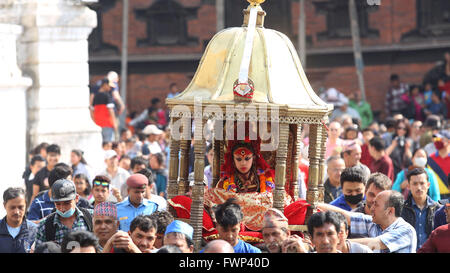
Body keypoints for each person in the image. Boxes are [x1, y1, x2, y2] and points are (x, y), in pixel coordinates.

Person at [318, 190, 417, 253]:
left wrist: (336, 242)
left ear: (390, 211)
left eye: (376, 205)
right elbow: (346, 216)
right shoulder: (373, 222)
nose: (371, 208)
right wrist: (314, 205)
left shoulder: (406, 230)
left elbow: (375, 244)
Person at [34, 179, 94, 246]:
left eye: (67, 203)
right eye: (58, 204)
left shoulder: (91, 217)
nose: (62, 208)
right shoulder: (44, 226)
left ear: (76, 198)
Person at [27, 163, 92, 221]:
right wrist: (50, 220)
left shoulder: (81, 202)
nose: (62, 208)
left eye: (67, 203)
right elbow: (31, 225)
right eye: (68, 182)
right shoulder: (38, 203)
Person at [401, 168, 441, 250]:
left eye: (422, 183)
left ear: (428, 185)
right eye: (415, 184)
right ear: (408, 186)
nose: (419, 187)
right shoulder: (401, 209)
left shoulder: (438, 210)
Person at [0, 188, 37, 253]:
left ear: (26, 205)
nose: (16, 212)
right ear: (4, 205)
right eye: (12, 207)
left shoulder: (35, 231)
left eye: (20, 207)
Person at [90, 78, 118, 142]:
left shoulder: (95, 96)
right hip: (107, 124)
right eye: (109, 86)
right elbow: (111, 110)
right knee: (109, 143)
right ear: (105, 85)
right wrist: (115, 123)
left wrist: (94, 122)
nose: (110, 88)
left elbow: (92, 110)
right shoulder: (107, 96)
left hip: (98, 124)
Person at [426, 131, 450, 199]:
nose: (437, 141)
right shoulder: (430, 159)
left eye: (440, 139)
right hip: (435, 198)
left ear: (449, 141)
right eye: (436, 139)